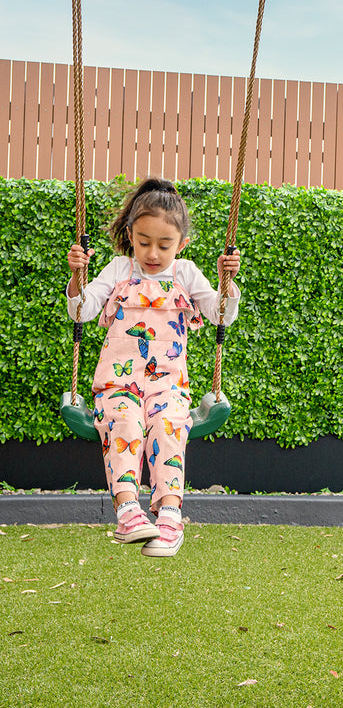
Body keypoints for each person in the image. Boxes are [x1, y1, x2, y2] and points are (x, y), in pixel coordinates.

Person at [65, 178, 241, 558]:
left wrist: (226, 282)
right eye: (144, 242)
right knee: (125, 423)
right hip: (118, 385)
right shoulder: (118, 269)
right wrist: (77, 275)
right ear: (130, 234)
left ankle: (169, 515)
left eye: (164, 245)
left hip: (168, 386)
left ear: (182, 244)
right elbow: (82, 310)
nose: (153, 253)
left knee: (169, 425)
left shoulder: (186, 273)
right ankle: (128, 511)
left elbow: (220, 315)